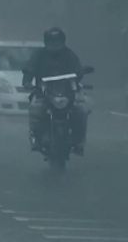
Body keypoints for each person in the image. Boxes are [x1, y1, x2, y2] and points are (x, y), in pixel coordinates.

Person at [22, 27, 89, 155]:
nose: (55, 44)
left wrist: (80, 74)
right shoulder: (39, 55)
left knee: (81, 111)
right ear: (46, 42)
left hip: (67, 93)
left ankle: (79, 142)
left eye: (57, 41)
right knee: (35, 109)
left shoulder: (69, 55)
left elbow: (78, 70)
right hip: (43, 92)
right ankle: (35, 138)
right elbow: (29, 68)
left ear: (63, 41)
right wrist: (27, 81)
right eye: (51, 41)